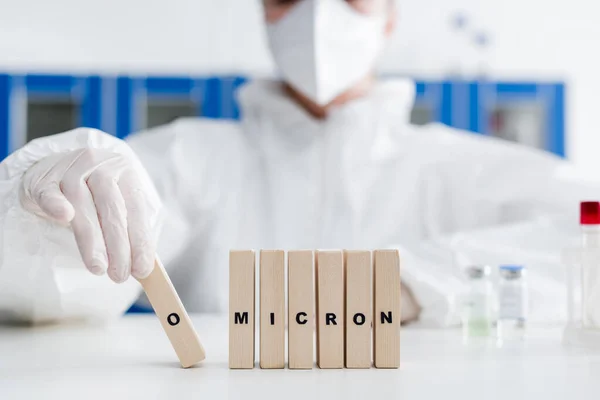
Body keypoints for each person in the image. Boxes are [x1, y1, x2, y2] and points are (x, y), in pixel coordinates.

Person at [0, 0, 594, 325]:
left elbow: (586, 233)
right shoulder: (189, 155)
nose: (318, 16)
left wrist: (412, 283)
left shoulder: (457, 167)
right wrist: (36, 221)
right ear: (263, 10)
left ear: (390, 16)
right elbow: (72, 287)